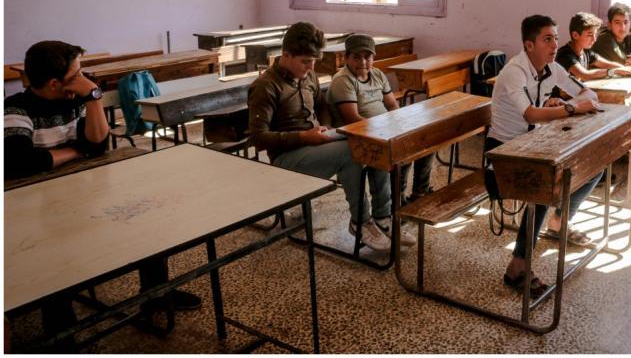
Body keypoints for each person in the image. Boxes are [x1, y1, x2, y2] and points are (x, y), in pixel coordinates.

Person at [3, 41, 200, 351]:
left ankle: (156, 295)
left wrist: (93, 95)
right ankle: (60, 336)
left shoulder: (76, 98)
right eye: (77, 73)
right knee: (56, 257)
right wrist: (75, 150)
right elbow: (21, 162)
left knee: (147, 219)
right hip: (37, 210)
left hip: (82, 194)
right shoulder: (16, 108)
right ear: (55, 83)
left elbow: (97, 144)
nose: (84, 78)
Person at [247, 22, 391, 252]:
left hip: (314, 145)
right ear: (285, 55)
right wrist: (304, 137)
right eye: (305, 61)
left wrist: (324, 126)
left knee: (373, 143)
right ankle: (361, 222)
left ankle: (384, 217)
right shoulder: (266, 86)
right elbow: (258, 137)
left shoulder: (309, 76)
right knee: (350, 153)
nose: (311, 67)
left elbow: (322, 105)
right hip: (286, 160)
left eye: (314, 61)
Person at [487, 15, 602, 299]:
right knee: (544, 187)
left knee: (593, 167)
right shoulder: (515, 71)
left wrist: (567, 103)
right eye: (547, 39)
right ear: (529, 45)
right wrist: (571, 109)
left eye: (556, 38)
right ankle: (518, 265)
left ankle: (560, 219)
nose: (554, 45)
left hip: (532, 143)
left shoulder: (552, 67)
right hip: (502, 154)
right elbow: (531, 114)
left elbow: (589, 93)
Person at [327, 34, 423, 245]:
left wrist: (398, 125)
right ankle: (376, 217)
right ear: (346, 58)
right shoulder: (343, 80)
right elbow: (352, 118)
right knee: (384, 158)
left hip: (381, 131)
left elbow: (391, 105)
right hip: (358, 135)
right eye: (357, 57)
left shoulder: (377, 74)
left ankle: (390, 211)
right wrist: (382, 132)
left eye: (368, 57)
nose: (363, 62)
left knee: (422, 143)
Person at [555, 12, 631, 81]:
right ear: (575, 35)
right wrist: (615, 71)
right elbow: (585, 75)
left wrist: (626, 69)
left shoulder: (586, 52)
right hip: (557, 101)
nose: (594, 39)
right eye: (590, 34)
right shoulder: (565, 55)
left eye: (595, 35)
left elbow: (608, 64)